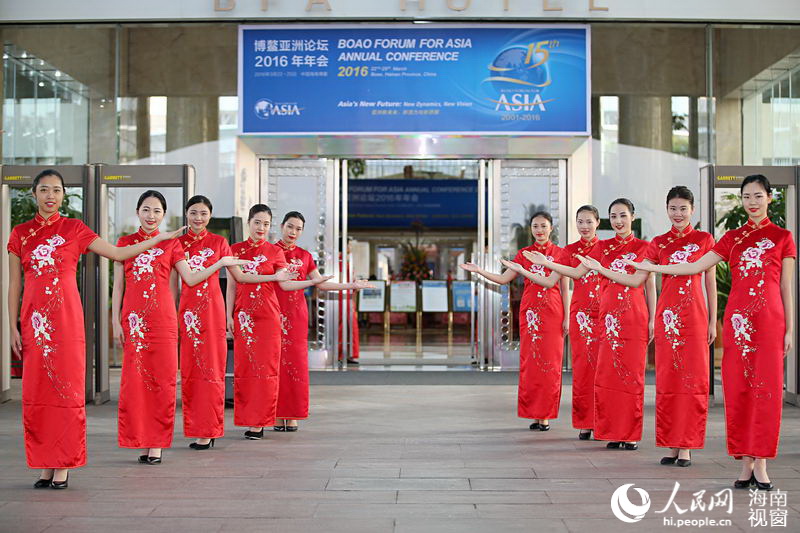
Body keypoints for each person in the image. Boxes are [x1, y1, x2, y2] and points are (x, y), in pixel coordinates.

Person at [7, 170, 184, 489]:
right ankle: (45, 464)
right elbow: (13, 285)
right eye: (44, 190)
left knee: (66, 392)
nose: (51, 195)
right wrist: (11, 326)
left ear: (64, 195)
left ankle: (63, 464)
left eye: (57, 190)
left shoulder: (74, 229)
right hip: (35, 325)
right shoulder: (20, 233)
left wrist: (157, 239)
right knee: (36, 395)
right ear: (33, 194)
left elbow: (117, 254)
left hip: (67, 323)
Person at [627, 175, 794, 490]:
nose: (752, 202)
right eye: (746, 197)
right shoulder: (731, 238)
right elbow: (694, 268)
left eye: (758, 196)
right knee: (739, 390)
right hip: (737, 323)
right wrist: (657, 268)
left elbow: (787, 287)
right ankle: (745, 464)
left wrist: (790, 329)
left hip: (771, 322)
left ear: (769, 197)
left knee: (767, 391)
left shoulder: (783, 237)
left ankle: (762, 464)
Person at [577, 187, 716, 466]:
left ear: (692, 209)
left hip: (694, 317)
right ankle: (672, 445)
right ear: (666, 209)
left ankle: (686, 445)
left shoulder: (704, 239)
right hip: (667, 318)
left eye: (683, 209)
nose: (677, 214)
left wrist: (713, 320)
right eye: (672, 209)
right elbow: (636, 280)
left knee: (691, 382)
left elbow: (709, 281)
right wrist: (601, 269)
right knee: (667, 382)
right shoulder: (658, 243)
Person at [112, 191, 245, 465]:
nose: (151, 216)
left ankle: (157, 445)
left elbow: (191, 278)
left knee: (161, 382)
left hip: (163, 321)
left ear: (164, 215)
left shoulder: (172, 245)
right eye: (146, 210)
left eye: (157, 211)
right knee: (135, 383)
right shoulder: (124, 244)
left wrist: (219, 263)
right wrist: (115, 320)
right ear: (137, 211)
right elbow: (118, 287)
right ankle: (142, 439)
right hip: (134, 321)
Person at [526, 199, 655, 450]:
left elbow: (646, 283)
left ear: (632, 217)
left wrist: (652, 317)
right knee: (607, 376)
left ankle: (630, 433)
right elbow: (575, 273)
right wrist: (546, 263)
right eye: (614, 216)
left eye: (623, 216)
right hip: (606, 319)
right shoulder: (603, 248)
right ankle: (612, 429)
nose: (618, 221)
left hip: (632, 318)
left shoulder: (644, 247)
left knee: (630, 377)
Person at [225, 204, 329, 440]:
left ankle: (261, 421)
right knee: (246, 370)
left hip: (268, 317)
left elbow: (286, 284)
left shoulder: (275, 252)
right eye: (257, 222)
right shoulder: (235, 250)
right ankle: (252, 419)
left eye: (265, 224)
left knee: (267, 371)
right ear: (249, 223)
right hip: (244, 318)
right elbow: (233, 285)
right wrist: (228, 315)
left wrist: (315, 282)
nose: (261, 227)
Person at [461, 211, 568, 430]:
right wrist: (479, 271)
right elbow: (503, 279)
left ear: (551, 228)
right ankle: (535, 413)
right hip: (530, 314)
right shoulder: (524, 254)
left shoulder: (560, 254)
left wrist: (567, 317)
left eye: (543, 226)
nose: (539, 230)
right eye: (535, 226)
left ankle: (545, 415)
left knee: (551, 364)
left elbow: (563, 287)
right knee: (531, 364)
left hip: (552, 313)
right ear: (531, 229)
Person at [274, 211, 373, 431]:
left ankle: (293, 414)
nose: (293, 232)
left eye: (298, 229)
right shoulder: (271, 252)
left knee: (297, 366)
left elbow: (321, 283)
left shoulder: (304, 255)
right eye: (290, 227)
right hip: (274, 313)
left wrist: (351, 286)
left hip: (297, 315)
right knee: (276, 364)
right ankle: (275, 414)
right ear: (281, 226)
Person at [172, 195, 234, 450]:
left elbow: (234, 279)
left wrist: (230, 314)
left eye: (204, 213)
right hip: (187, 314)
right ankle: (197, 428)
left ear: (210, 216)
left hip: (212, 312)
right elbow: (173, 285)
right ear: (186, 213)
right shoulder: (176, 243)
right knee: (190, 371)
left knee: (213, 371)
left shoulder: (219, 243)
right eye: (194, 212)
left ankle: (209, 430)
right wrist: (173, 312)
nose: (198, 218)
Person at [558, 205, 602, 440]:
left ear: (597, 223)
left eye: (589, 221)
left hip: (606, 314)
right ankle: (586, 422)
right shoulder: (569, 251)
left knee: (604, 370)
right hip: (581, 316)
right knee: (584, 369)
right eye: (580, 222)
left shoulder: (606, 248)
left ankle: (604, 421)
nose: (584, 227)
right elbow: (558, 280)